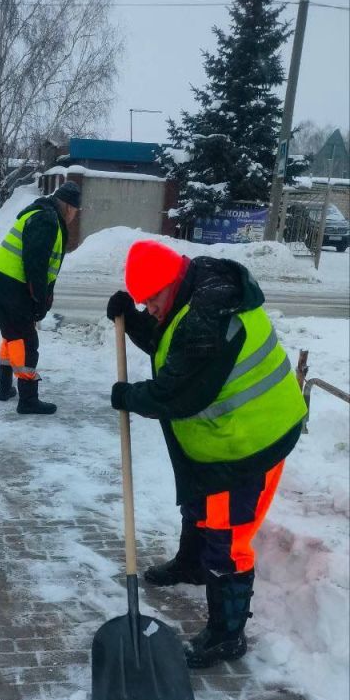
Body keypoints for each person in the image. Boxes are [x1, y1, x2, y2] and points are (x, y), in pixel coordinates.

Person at [107, 240, 307, 669]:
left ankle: (227, 636)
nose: (152, 309)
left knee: (228, 539)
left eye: (152, 300)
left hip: (249, 443)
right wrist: (136, 320)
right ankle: (191, 564)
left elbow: (174, 392)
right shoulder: (198, 292)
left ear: (172, 280)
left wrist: (127, 396)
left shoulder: (205, 320)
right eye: (145, 303)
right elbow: (174, 347)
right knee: (199, 505)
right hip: (224, 437)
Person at [0, 179, 81, 415]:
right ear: (68, 206)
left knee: (11, 337)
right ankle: (28, 400)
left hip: (1, 284)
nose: (74, 216)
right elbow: (35, 265)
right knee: (27, 343)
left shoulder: (40, 214)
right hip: (13, 287)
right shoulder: (47, 220)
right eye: (75, 211)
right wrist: (39, 300)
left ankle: (5, 388)